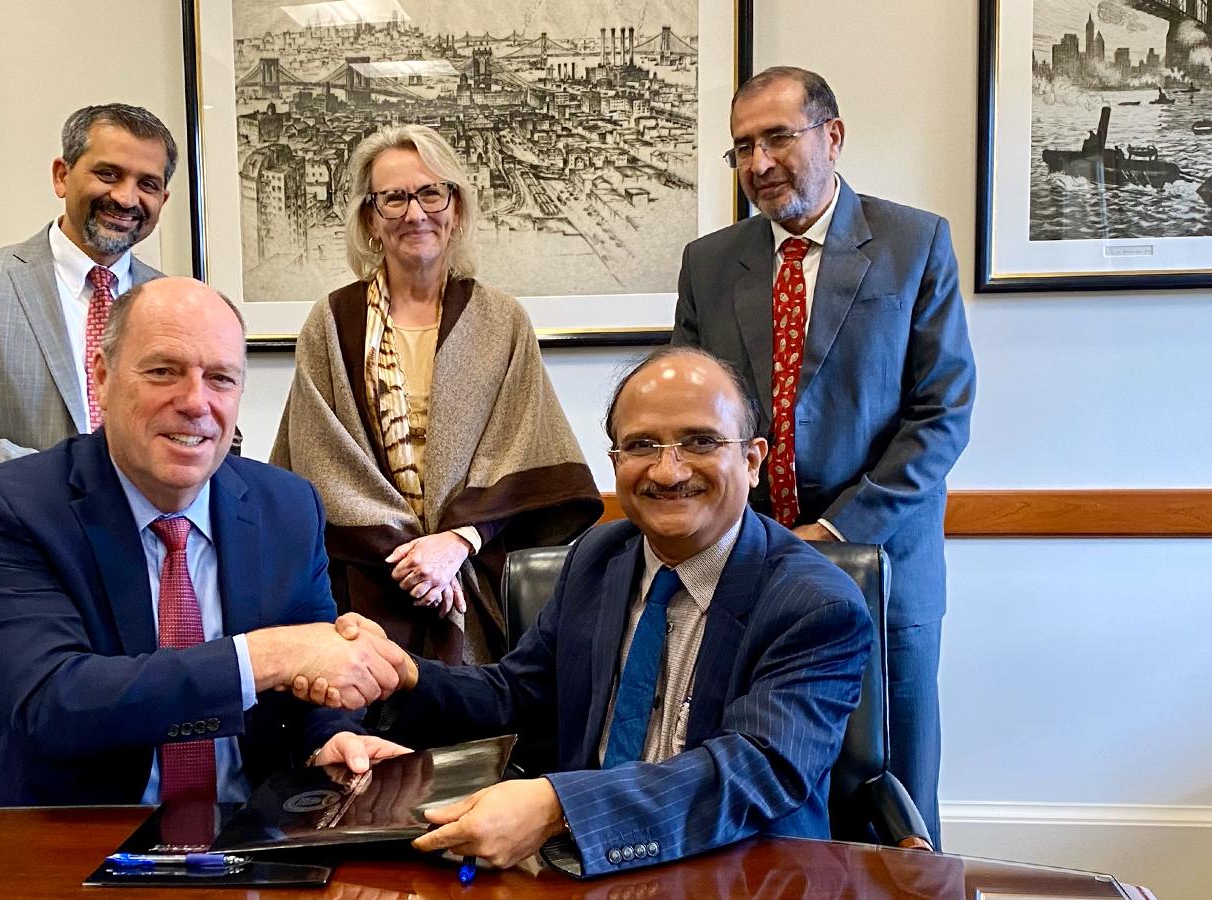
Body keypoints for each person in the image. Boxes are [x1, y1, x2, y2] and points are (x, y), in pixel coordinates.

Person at [297, 347, 874, 876]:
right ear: (615, 460)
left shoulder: (815, 604)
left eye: (700, 442)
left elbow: (753, 772)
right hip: (577, 869)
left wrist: (558, 807)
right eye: (643, 445)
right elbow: (515, 695)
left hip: (738, 870)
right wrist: (406, 674)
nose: (668, 471)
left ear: (751, 461)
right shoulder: (600, 557)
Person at [0, 276, 411, 808]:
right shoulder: (14, 507)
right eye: (163, 371)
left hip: (253, 835)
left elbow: (309, 683)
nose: (195, 402)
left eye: (220, 378)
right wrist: (266, 655)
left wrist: (329, 738)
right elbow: (52, 702)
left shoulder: (286, 507)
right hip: (68, 832)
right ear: (101, 377)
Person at [671, 66, 975, 846]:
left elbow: (942, 414)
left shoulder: (915, 242)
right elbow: (690, 416)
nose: (759, 163)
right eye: (742, 147)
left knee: (896, 797)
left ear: (831, 137)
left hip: (885, 569)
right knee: (757, 786)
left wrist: (836, 532)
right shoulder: (710, 263)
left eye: (778, 137)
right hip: (747, 571)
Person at [270, 123, 600, 666]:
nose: (415, 213)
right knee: (371, 736)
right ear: (370, 218)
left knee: (472, 736)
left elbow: (523, 449)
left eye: (430, 192)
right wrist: (413, 557)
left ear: (457, 208)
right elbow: (319, 458)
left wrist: (455, 543)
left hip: (475, 576)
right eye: (394, 198)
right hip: (362, 584)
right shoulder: (330, 322)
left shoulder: (503, 320)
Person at [0, 103, 176, 486]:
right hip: (26, 534)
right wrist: (66, 478)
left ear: (162, 200)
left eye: (147, 184)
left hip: (148, 537)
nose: (125, 197)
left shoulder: (173, 300)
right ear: (62, 176)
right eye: (108, 174)